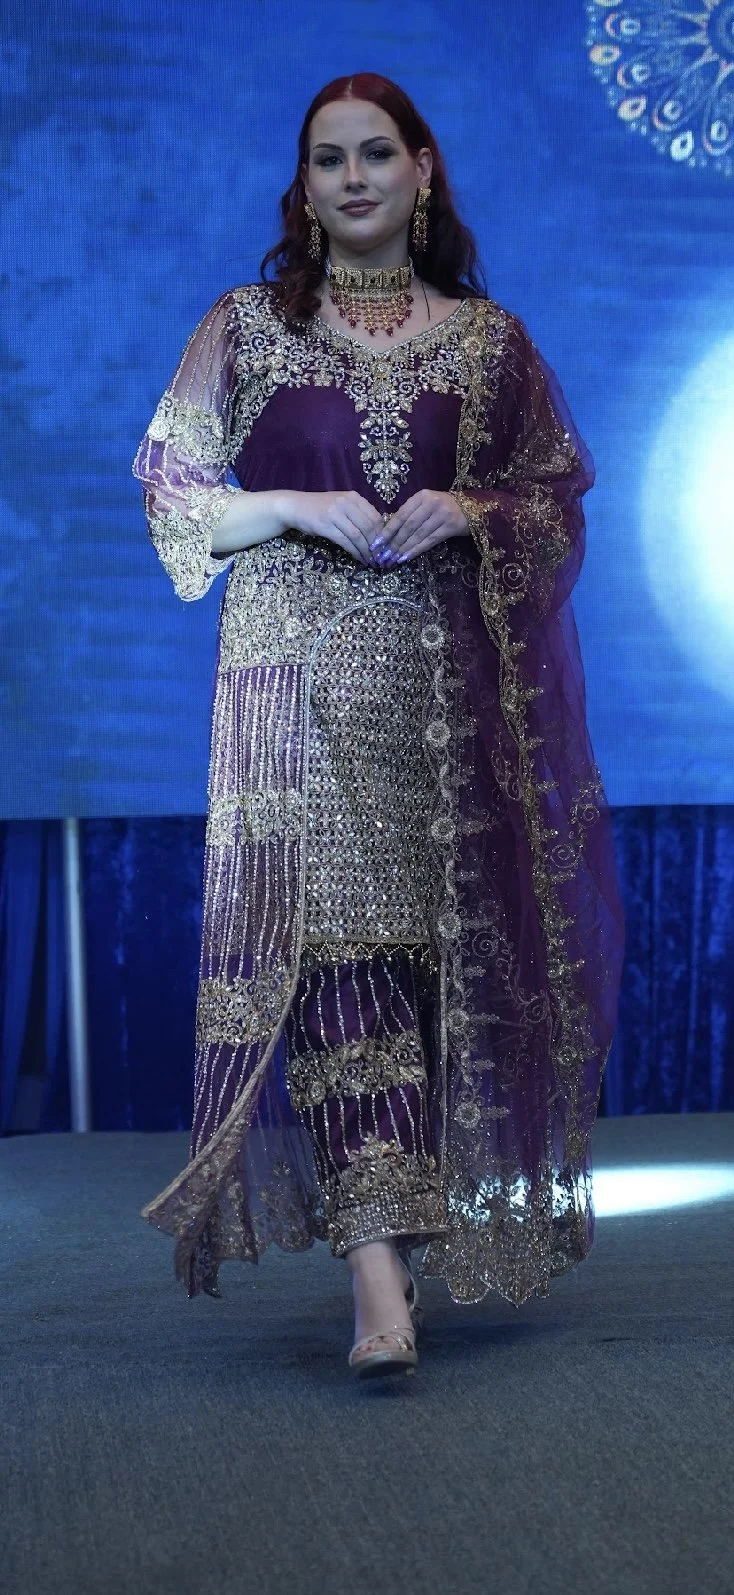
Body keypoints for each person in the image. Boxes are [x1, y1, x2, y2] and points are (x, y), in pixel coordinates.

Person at [132, 71, 624, 1381]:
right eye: (325, 160)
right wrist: (292, 502)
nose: (349, 180)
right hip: (297, 702)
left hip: (453, 709)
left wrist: (469, 514)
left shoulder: (489, 344)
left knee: (441, 974)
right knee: (333, 966)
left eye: (373, 156)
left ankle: (407, 1248)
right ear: (303, 187)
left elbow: (555, 510)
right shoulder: (244, 328)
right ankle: (375, 1293)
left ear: (421, 171)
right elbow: (173, 489)